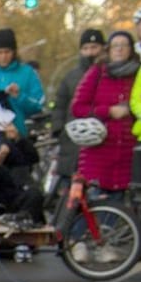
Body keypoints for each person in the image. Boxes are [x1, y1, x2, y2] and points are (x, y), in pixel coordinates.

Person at [69, 30, 141, 194]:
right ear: (108, 49)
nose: (119, 49)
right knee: (95, 206)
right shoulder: (97, 72)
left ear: (131, 49)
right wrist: (108, 111)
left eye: (124, 45)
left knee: (121, 208)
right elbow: (78, 108)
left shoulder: (139, 74)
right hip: (98, 153)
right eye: (115, 45)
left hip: (128, 154)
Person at [50, 28, 106, 177]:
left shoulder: (109, 73)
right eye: (86, 48)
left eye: (94, 47)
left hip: (103, 136)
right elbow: (60, 104)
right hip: (72, 138)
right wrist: (58, 129)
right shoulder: (70, 76)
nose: (90, 52)